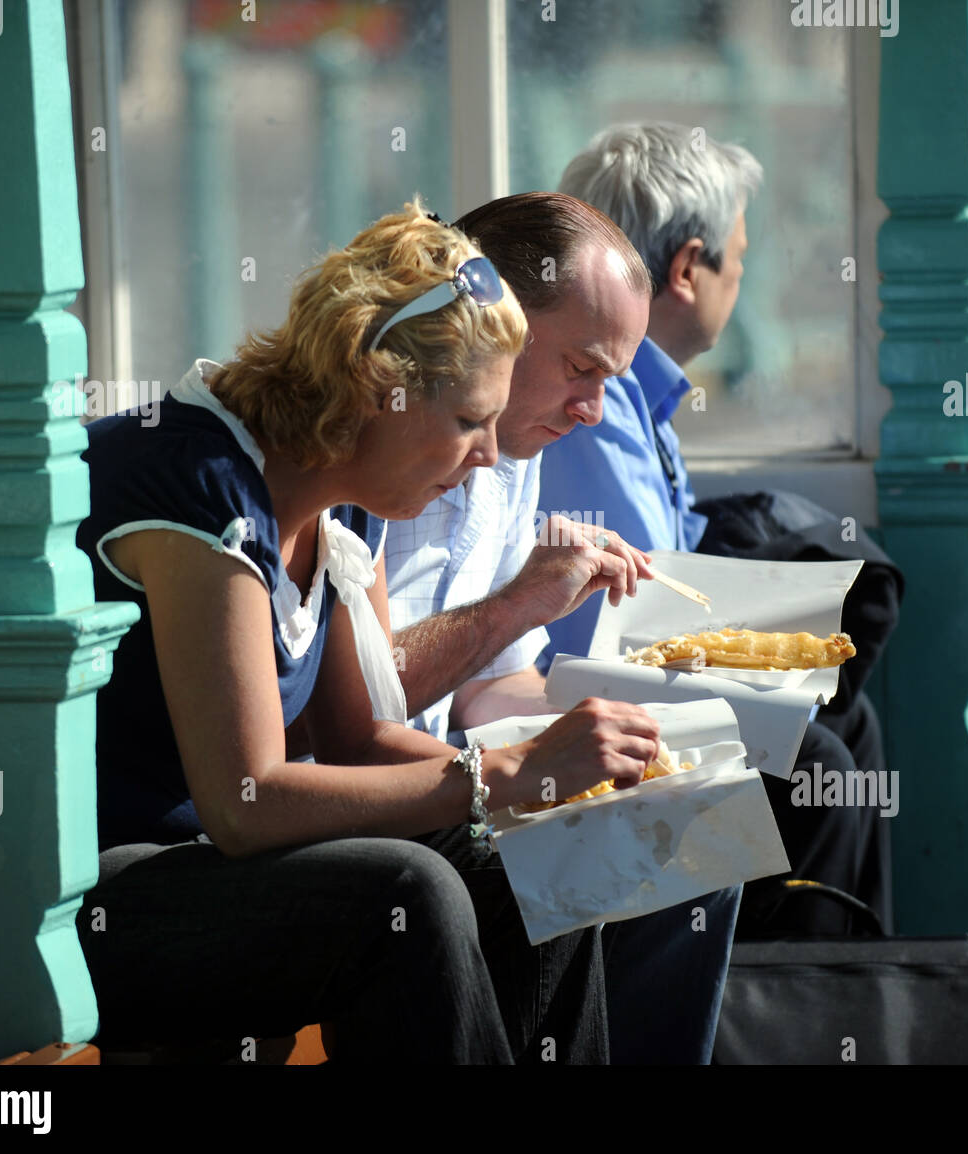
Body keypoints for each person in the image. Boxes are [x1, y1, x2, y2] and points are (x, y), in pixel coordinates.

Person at [72, 201, 665, 1065]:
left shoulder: (348, 495)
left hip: (217, 864)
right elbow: (247, 802)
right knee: (410, 892)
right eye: (468, 421)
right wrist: (499, 774)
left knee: (550, 853)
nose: (488, 457)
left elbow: (354, 740)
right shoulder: (198, 488)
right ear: (369, 386)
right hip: (101, 889)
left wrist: (549, 787)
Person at [385, 192, 742, 1065]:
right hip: (384, 790)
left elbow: (488, 688)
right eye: (581, 368)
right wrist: (517, 608)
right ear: (495, 319)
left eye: (610, 383)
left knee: (699, 806)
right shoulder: (384, 453)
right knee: (586, 847)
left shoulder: (515, 460)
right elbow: (343, 706)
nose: (590, 409)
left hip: (444, 769)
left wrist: (638, 709)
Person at [541, 124, 897, 935]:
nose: (740, 277)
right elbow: (638, 621)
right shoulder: (604, 407)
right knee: (822, 762)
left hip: (590, 690)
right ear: (687, 269)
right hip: (577, 708)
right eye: (736, 258)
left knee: (837, 721)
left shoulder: (628, 398)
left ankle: (841, 987)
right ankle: (799, 999)